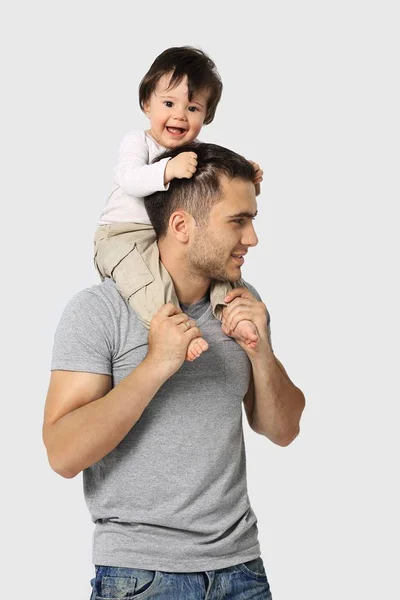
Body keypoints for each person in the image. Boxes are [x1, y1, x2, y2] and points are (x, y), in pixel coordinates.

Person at [43, 142, 305, 600]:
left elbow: (282, 429)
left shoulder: (241, 304)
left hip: (242, 570)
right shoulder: (99, 311)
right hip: (141, 577)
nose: (252, 239)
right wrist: (157, 364)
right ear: (182, 225)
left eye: (252, 221)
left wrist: (261, 352)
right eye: (237, 222)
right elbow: (62, 454)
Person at [94, 45, 263, 361]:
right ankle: (174, 329)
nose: (179, 115)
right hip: (124, 235)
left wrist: (247, 175)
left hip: (165, 239)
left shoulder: (197, 151)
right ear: (147, 104)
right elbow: (129, 179)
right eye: (169, 103)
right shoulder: (138, 141)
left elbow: (219, 188)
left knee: (218, 266)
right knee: (146, 282)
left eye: (193, 108)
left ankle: (231, 314)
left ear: (206, 115)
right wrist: (167, 169)